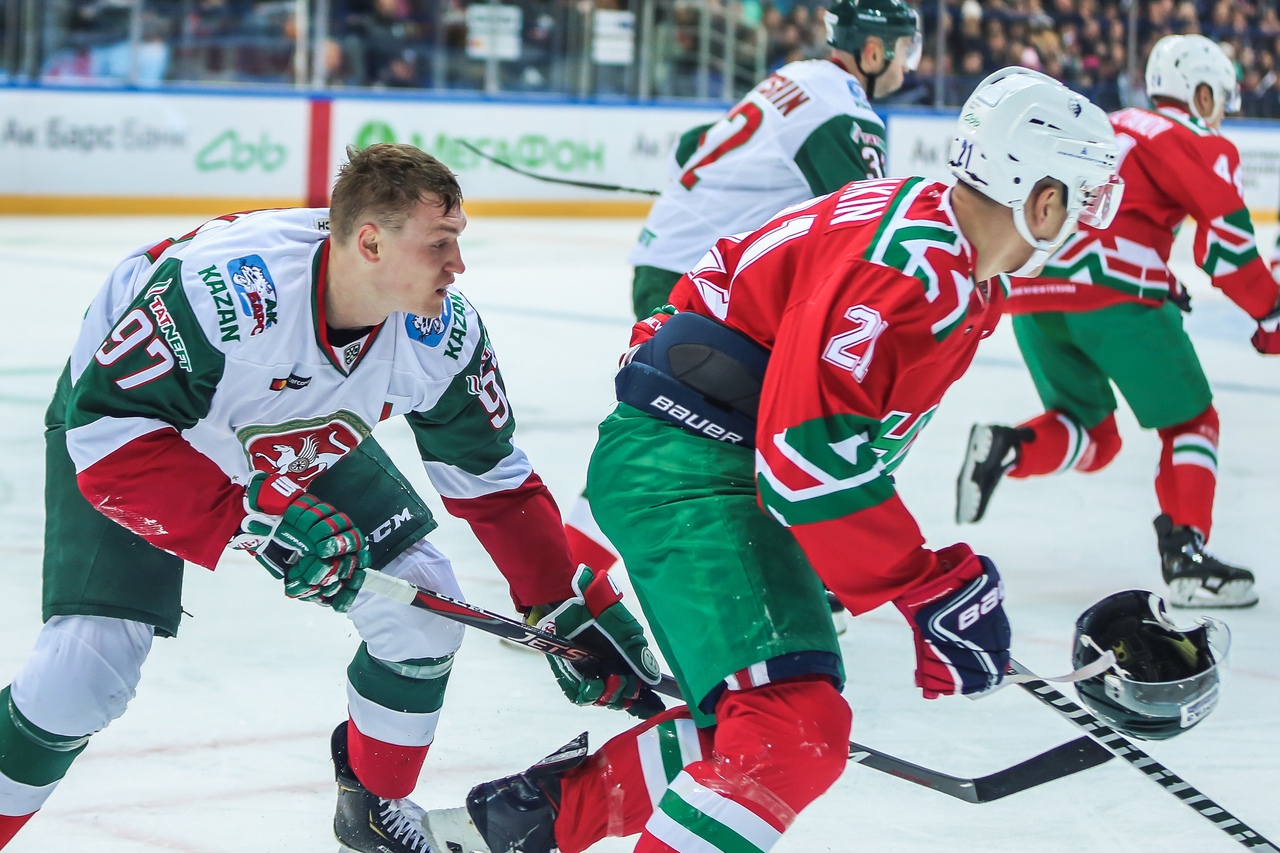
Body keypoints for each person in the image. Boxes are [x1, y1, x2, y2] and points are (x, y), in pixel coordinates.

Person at [424, 68, 1124, 853]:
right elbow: (804, 456)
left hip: (714, 460)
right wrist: (923, 582)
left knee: (762, 723)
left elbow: (830, 438)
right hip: (688, 462)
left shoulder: (952, 260)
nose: (1088, 218)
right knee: (791, 732)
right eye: (1084, 197)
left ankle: (514, 826)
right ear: (1041, 198)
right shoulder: (909, 272)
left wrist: (886, 573)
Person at [0, 143, 660, 853]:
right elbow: (106, 437)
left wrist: (559, 601)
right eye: (439, 244)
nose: (458, 266)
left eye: (458, 240)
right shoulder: (222, 293)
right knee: (83, 674)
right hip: (148, 428)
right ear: (370, 242)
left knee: (423, 606)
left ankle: (374, 809)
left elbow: (492, 478)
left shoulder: (443, 333)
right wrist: (255, 517)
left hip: (284, 422)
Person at [564, 0, 923, 600]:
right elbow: (871, 229)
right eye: (905, 50)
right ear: (872, 50)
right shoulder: (847, 112)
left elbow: (692, 146)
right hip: (708, 281)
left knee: (695, 422)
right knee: (715, 424)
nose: (909, 65)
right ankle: (575, 579)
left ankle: (576, 575)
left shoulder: (795, 77)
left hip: (677, 262)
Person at [955, 34, 1280, 610]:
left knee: (1093, 433)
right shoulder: (1192, 136)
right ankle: (1186, 556)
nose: (1221, 113)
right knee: (1192, 423)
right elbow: (1226, 246)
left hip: (1031, 287)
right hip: (1117, 295)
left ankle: (1009, 447)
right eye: (1218, 98)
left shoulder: (1105, 122)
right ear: (1201, 94)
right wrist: (1270, 311)